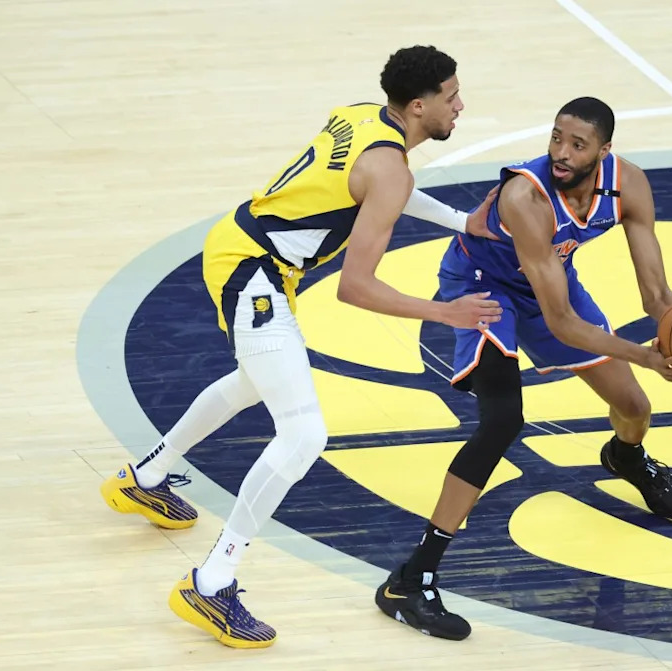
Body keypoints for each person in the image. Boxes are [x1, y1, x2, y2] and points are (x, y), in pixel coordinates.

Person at [99, 45, 504, 649]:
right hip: (253, 274)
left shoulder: (364, 116)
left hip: (241, 247)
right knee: (304, 434)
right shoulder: (390, 170)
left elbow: (385, 188)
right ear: (419, 106)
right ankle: (211, 582)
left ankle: (147, 474)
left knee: (252, 381)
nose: (460, 104)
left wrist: (460, 220)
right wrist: (444, 311)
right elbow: (355, 286)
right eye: (451, 95)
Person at [375, 96, 672, 640]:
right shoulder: (525, 197)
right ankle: (412, 580)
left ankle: (625, 456)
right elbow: (563, 323)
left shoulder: (629, 185)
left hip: (551, 282)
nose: (561, 153)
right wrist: (647, 356)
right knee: (503, 420)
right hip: (486, 286)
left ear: (605, 150)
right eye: (556, 138)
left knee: (634, 406)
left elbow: (657, 297)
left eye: (577, 144)